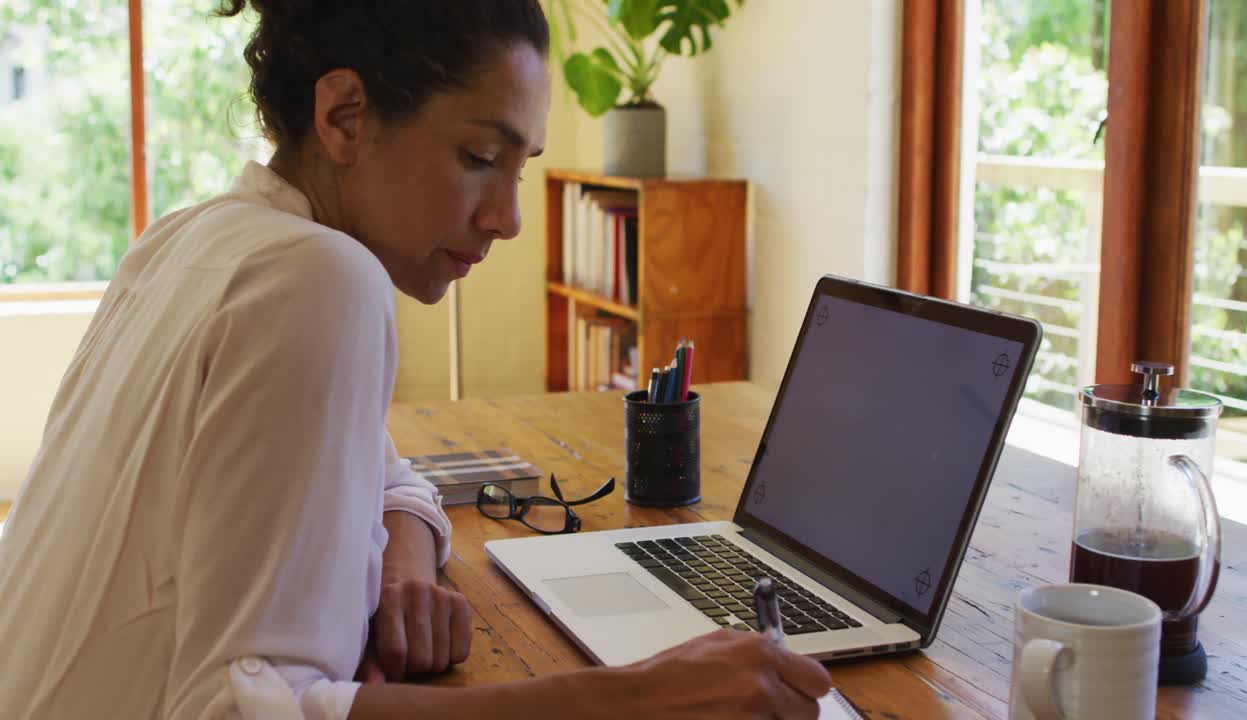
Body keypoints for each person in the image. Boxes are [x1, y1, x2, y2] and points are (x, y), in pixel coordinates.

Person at [0, 2, 831, 718]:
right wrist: (642, 697)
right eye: (478, 158)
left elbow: (389, 470)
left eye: (520, 168)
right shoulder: (321, 278)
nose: (507, 218)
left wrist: (403, 568)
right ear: (345, 116)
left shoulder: (187, 239)